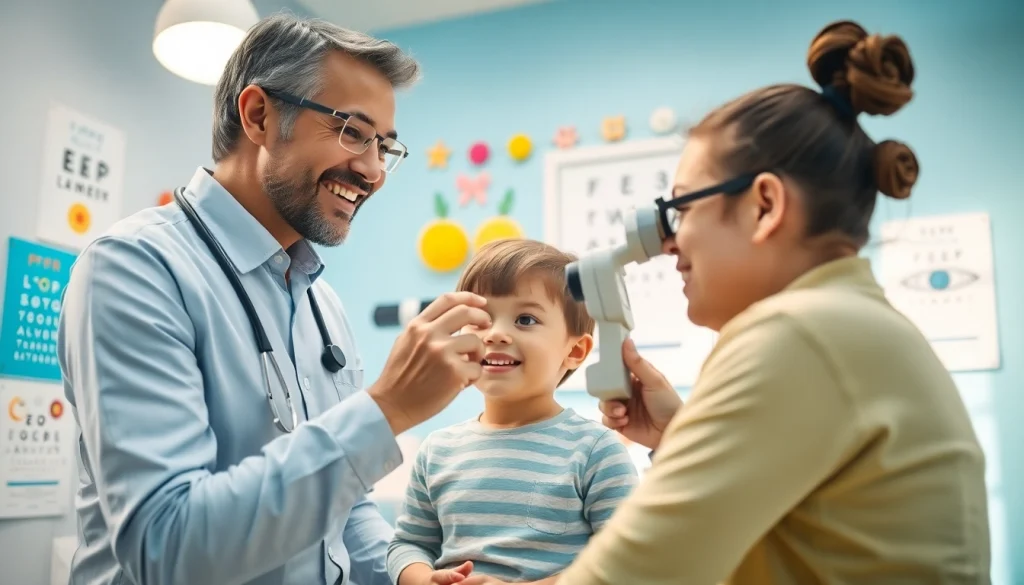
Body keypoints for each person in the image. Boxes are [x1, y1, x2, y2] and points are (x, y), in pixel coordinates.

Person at [57, 13, 494, 585]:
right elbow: (166, 547)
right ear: (259, 115)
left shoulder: (321, 303)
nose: (373, 170)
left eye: (385, 145)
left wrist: (408, 578)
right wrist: (389, 408)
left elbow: (346, 499)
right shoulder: (135, 270)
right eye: (353, 132)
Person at [555, 19, 991, 585]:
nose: (669, 242)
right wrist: (678, 439)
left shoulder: (797, 335)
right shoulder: (849, 324)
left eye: (683, 208)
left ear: (764, 205)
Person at [387, 239, 640, 585]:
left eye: (525, 319)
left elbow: (628, 560)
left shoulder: (596, 451)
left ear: (576, 351)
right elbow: (409, 543)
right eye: (481, 319)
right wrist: (422, 579)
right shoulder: (437, 450)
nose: (496, 334)